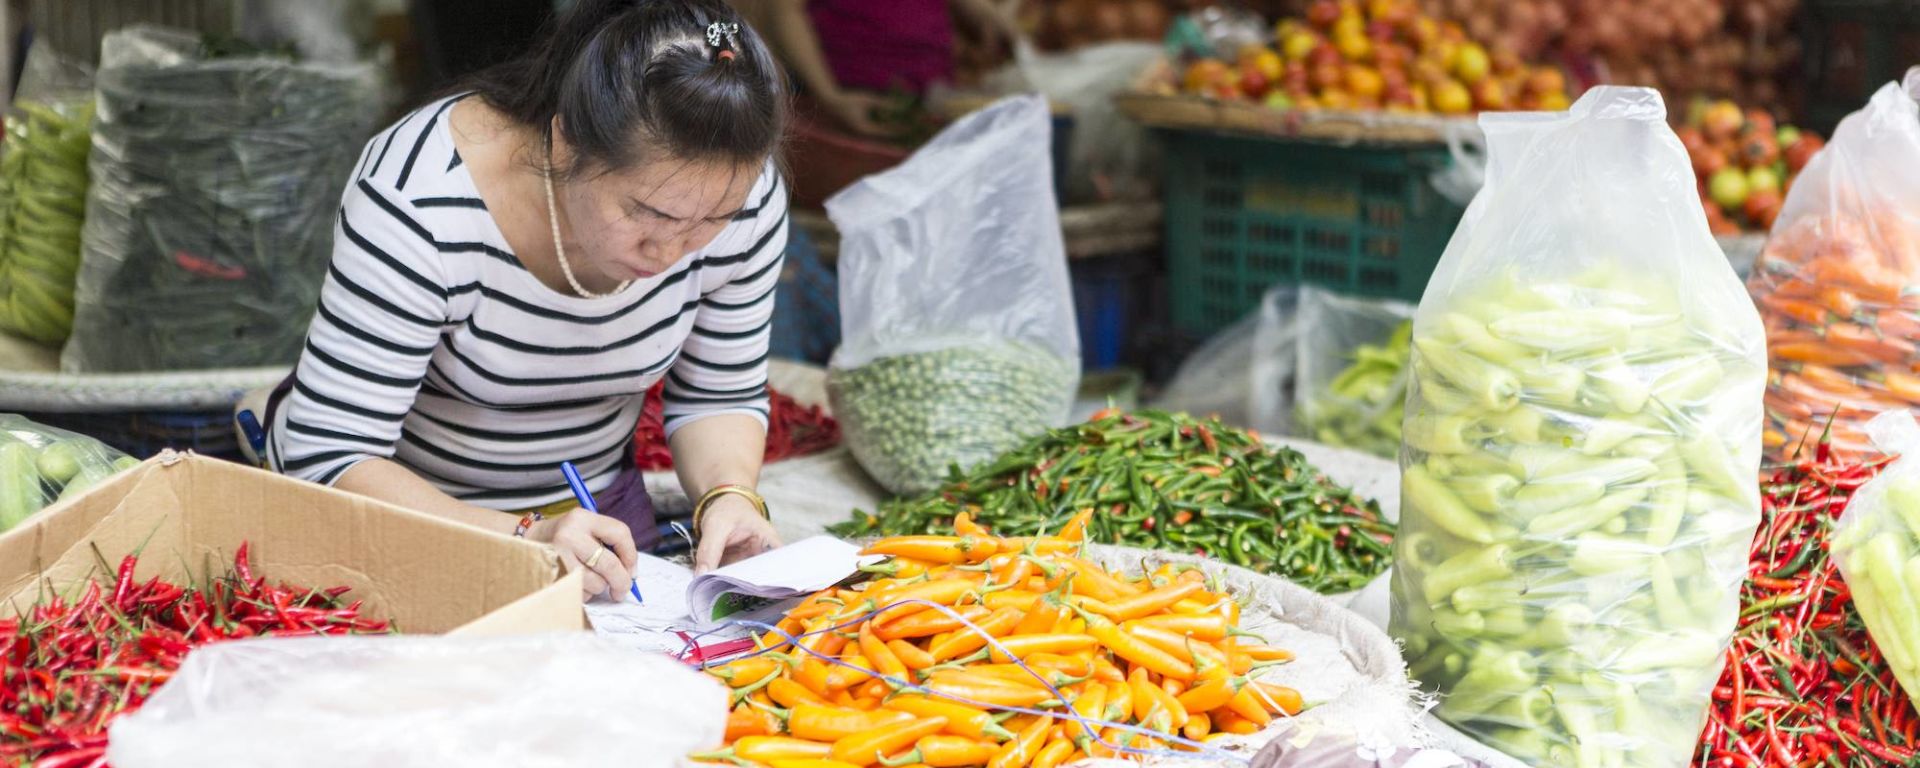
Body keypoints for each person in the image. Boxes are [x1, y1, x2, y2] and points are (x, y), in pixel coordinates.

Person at [265, 0, 788, 598]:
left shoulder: (740, 195)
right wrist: (526, 536)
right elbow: (329, 454)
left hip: (596, 518)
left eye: (711, 221)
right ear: (565, 142)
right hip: (406, 516)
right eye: (646, 213)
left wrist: (729, 494)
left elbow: (719, 391)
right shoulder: (421, 199)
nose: (674, 251)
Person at [741, 0, 1021, 135]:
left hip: (933, 96)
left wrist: (982, 11)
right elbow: (787, 10)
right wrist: (831, 96)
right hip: (856, 100)